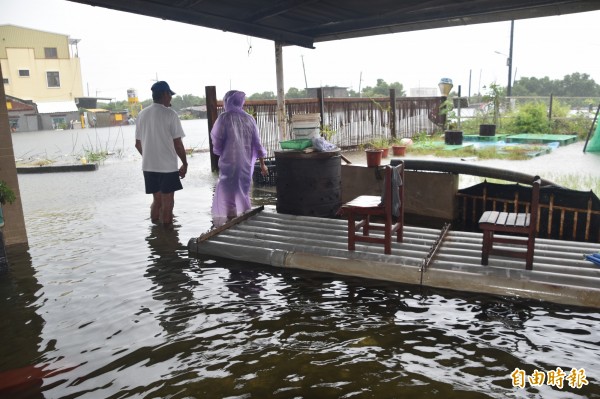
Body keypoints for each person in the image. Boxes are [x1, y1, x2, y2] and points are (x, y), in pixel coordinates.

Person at [211, 90, 268, 225]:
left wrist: (220, 150)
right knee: (243, 193)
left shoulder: (224, 118)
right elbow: (257, 143)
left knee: (228, 197)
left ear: (227, 101)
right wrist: (262, 164)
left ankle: (231, 224)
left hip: (229, 164)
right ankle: (244, 222)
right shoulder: (249, 119)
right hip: (246, 166)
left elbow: (217, 139)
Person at [135, 81, 188, 225]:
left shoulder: (142, 114)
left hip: (148, 167)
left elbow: (137, 144)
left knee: (156, 201)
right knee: (168, 204)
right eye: (169, 94)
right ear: (164, 94)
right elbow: (178, 143)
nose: (170, 98)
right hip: (167, 168)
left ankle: (155, 233)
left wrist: (149, 157)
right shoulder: (170, 114)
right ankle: (168, 242)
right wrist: (185, 163)